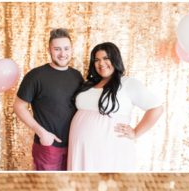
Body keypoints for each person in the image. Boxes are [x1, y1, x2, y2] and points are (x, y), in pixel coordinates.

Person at [67, 43, 163, 171]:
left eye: (106, 58)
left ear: (115, 59)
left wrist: (135, 132)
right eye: (97, 60)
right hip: (80, 148)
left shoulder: (128, 83)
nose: (101, 63)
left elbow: (156, 108)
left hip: (109, 148)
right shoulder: (88, 84)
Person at [13, 29, 84, 171]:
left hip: (74, 145)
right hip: (49, 146)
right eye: (57, 49)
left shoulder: (77, 76)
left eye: (66, 48)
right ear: (49, 50)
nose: (62, 54)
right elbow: (19, 106)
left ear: (71, 49)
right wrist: (42, 133)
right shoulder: (36, 76)